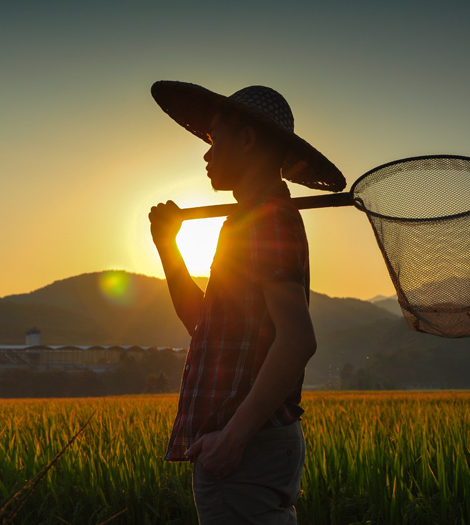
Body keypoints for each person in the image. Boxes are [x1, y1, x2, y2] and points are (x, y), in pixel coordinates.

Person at [148, 81, 345, 524]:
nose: (206, 154)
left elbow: (297, 341)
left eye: (215, 139)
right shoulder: (246, 223)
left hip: (244, 450)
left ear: (249, 140)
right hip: (246, 450)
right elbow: (204, 325)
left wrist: (232, 438)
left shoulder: (268, 221)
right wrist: (168, 248)